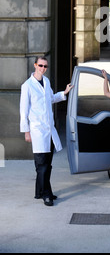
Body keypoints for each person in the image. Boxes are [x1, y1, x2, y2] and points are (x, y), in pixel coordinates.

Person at [20, 56, 73, 206]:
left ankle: (39, 191)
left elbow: (51, 98)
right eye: (41, 66)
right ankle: (46, 194)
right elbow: (23, 110)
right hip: (36, 130)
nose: (43, 69)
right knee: (42, 164)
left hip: (49, 129)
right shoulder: (27, 86)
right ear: (35, 65)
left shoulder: (46, 81)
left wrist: (65, 92)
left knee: (47, 163)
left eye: (45, 67)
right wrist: (26, 131)